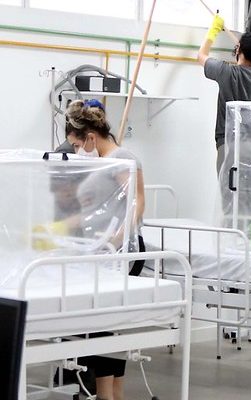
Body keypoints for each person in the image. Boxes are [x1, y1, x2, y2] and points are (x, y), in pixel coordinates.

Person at [64, 100, 148, 400]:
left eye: (77, 145)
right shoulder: (101, 161)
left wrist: (117, 239)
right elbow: (94, 210)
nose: (77, 151)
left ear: (90, 136)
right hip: (101, 248)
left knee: (102, 322)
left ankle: (106, 394)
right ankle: (113, 393)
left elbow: (137, 201)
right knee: (106, 322)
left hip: (120, 250)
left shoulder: (121, 157)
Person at [197, 15, 251, 173]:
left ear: (238, 49)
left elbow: (201, 56)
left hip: (229, 146)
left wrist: (213, 31)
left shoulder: (226, 72)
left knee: (229, 188)